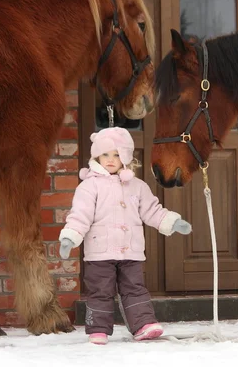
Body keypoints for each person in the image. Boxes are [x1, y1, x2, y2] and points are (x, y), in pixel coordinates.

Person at [58, 127, 192, 345]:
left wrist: (171, 221)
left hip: (130, 250)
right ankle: (98, 330)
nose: (111, 160)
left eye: (117, 155)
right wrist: (70, 237)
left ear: (126, 157)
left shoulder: (137, 186)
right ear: (97, 156)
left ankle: (143, 325)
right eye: (106, 155)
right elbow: (80, 215)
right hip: (100, 252)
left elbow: (152, 210)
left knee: (134, 288)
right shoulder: (89, 187)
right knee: (100, 290)